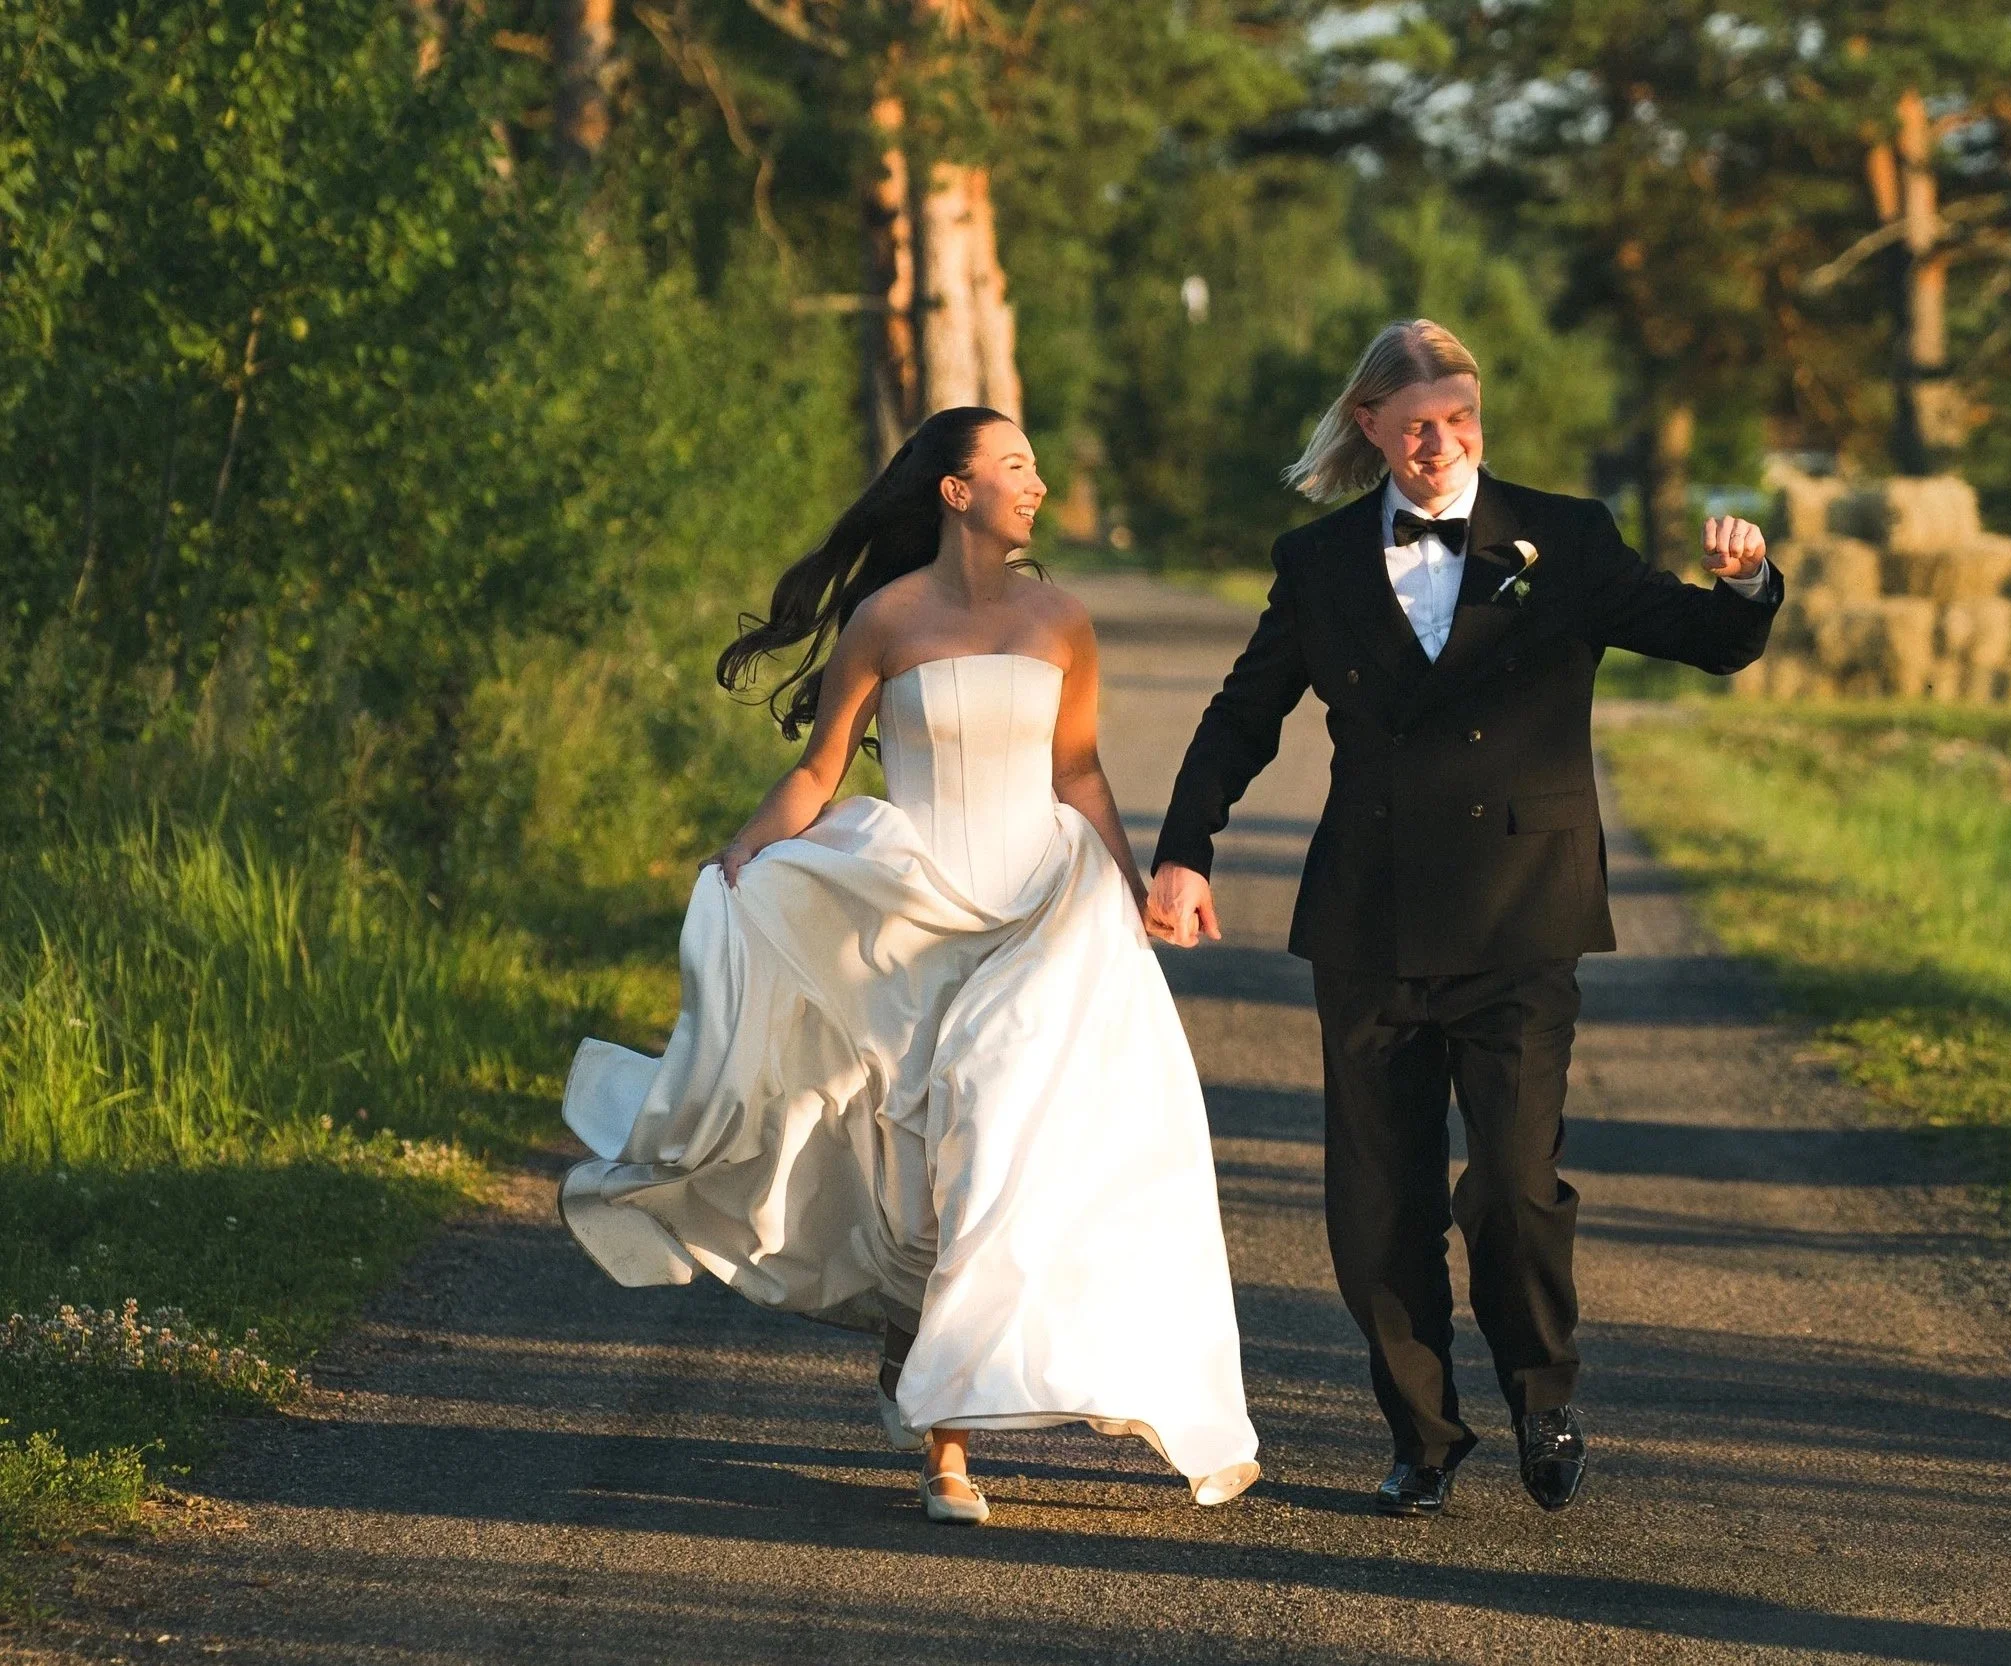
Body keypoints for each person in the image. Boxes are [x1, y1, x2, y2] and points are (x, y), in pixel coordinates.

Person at [558, 406, 1260, 1525]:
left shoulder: (1062, 620)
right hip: (918, 904)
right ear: (952, 489)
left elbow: (1077, 774)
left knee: (993, 1131)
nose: (1034, 482)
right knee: (924, 1168)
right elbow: (820, 769)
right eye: (1014, 465)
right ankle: (924, 1386)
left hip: (1044, 908)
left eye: (1035, 464)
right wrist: (742, 853)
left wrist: (1132, 888)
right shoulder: (886, 620)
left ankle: (954, 1438)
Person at [1145, 321, 1777, 1517]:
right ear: (1371, 425)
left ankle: (1544, 1395)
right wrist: (1184, 849)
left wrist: (1744, 582)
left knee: (1511, 1184)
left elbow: (1704, 639)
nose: (1442, 443)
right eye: (1418, 422)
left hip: (1520, 911)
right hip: (1367, 921)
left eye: (1461, 419)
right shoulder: (1318, 557)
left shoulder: (1570, 537)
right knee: (1377, 1205)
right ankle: (1423, 1435)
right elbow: (1244, 714)